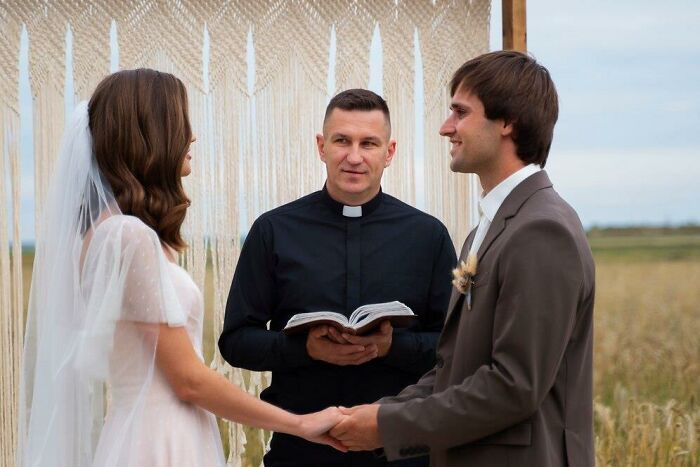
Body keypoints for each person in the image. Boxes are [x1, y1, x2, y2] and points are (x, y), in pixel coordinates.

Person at [17, 69, 343, 467]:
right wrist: (301, 424)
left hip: (145, 429)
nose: (192, 135)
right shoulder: (127, 236)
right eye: (181, 121)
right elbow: (188, 381)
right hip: (160, 440)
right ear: (153, 133)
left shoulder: (105, 234)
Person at [330, 51, 596, 467]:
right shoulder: (488, 229)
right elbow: (455, 368)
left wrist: (386, 427)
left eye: (460, 112)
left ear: (507, 121)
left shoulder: (543, 231)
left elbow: (513, 386)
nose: (445, 127)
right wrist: (381, 413)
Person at [219, 88, 457, 466]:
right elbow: (235, 342)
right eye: (342, 140)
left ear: (389, 152)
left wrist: (390, 346)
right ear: (321, 146)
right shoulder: (273, 230)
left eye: (369, 143)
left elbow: (455, 348)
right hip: (299, 453)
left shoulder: (428, 236)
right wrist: (304, 349)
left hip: (402, 454)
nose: (354, 156)